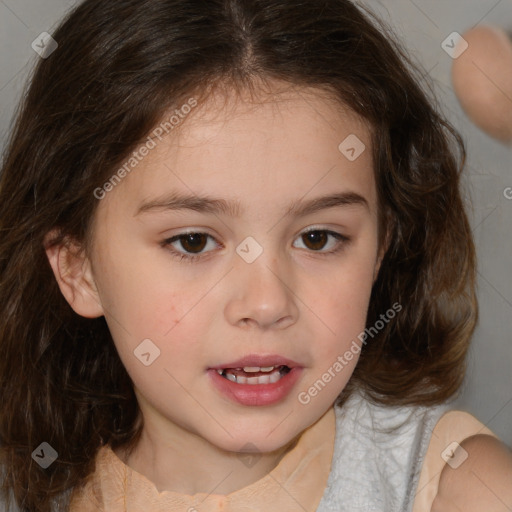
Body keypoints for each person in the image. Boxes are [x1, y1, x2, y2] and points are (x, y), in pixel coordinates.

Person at [0, 1, 511, 511]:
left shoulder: (463, 490)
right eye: (194, 241)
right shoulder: (48, 496)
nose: (267, 304)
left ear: (381, 247)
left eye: (317, 238)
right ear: (77, 268)